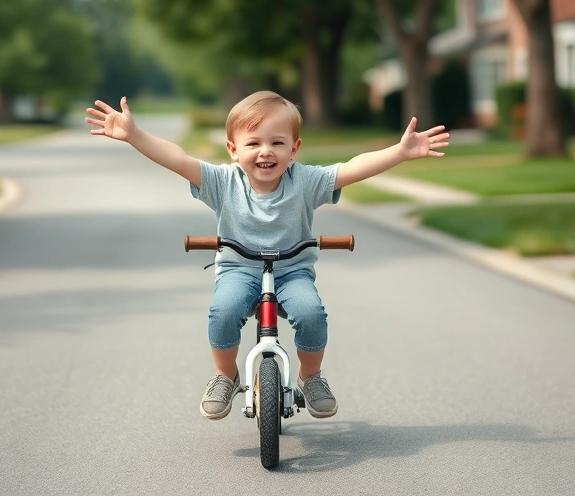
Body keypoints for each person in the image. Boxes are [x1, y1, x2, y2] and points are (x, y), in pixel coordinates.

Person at [86, 91, 449, 420]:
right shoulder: (221, 182)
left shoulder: (305, 182)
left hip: (292, 272)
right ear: (233, 148)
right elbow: (178, 159)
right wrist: (134, 136)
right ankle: (224, 375)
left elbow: (351, 169)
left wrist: (399, 152)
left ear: (294, 148)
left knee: (311, 313)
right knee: (224, 311)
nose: (265, 151)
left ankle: (311, 377)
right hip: (238, 269)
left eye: (277, 142)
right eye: (254, 142)